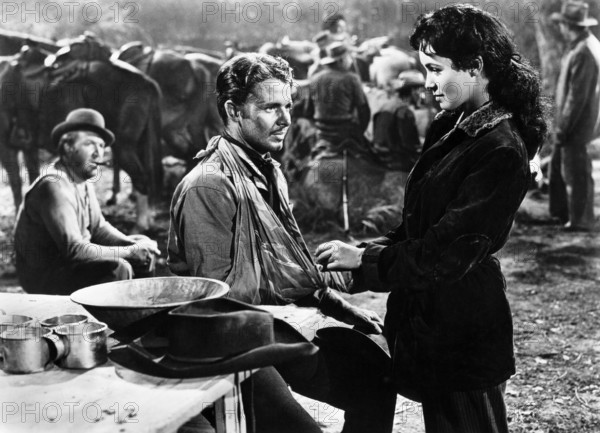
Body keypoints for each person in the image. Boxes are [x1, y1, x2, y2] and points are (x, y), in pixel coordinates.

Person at [316, 4, 548, 433]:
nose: (427, 82)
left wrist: (366, 263)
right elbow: (419, 225)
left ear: (476, 67)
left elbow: (444, 254)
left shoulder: (500, 149)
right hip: (432, 323)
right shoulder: (451, 124)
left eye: (436, 69)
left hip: (464, 331)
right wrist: (365, 255)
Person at [168, 53, 396, 433]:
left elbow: (286, 261)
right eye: (271, 107)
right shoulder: (210, 185)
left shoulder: (267, 170)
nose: (287, 119)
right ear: (233, 110)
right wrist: (327, 282)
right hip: (227, 344)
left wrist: (337, 305)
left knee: (377, 380)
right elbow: (222, 304)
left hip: (274, 325)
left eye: (288, 105)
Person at [14, 108, 160, 295]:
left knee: (142, 244)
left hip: (71, 265)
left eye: (101, 146)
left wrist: (136, 246)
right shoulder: (53, 186)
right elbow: (75, 250)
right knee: (118, 267)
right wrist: (130, 252)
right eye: (90, 144)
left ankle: (141, 315)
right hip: (46, 277)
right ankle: (116, 322)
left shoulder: (81, 180)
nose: (98, 153)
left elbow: (99, 228)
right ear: (68, 147)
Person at [549, 0, 598, 231]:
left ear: (570, 26)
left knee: (576, 171)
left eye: (563, 25)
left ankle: (580, 220)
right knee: (568, 167)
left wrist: (563, 127)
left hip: (578, 123)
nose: (560, 29)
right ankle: (567, 215)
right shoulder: (583, 46)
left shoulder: (583, 52)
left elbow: (576, 98)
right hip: (579, 120)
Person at [305, 41, 371, 159]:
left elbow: (308, 111)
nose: (351, 61)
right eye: (349, 57)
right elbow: (364, 111)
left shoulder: (315, 79)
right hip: (346, 133)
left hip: (321, 134)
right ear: (341, 60)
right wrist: (360, 131)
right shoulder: (352, 79)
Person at [371, 69, 425, 174]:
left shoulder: (386, 105)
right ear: (413, 91)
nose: (421, 95)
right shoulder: (405, 111)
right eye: (420, 90)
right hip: (396, 160)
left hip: (379, 156)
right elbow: (409, 145)